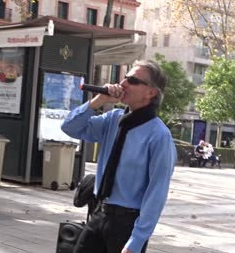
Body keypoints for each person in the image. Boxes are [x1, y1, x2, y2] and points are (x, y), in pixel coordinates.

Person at [61, 60, 176, 253]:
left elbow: (157, 193)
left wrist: (136, 240)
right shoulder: (113, 119)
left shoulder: (159, 136)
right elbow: (70, 127)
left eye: (132, 80)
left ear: (151, 93)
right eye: (124, 77)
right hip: (99, 213)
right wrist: (98, 101)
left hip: (127, 223)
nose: (123, 83)